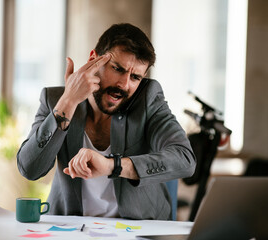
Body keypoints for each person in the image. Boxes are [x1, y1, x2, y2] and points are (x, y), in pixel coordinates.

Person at [17, 23, 196, 220]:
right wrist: (69, 101)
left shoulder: (148, 99)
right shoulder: (55, 99)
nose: (124, 84)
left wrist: (113, 165)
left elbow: (185, 159)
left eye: (135, 77)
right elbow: (30, 169)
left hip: (137, 229)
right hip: (72, 228)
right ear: (94, 59)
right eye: (117, 69)